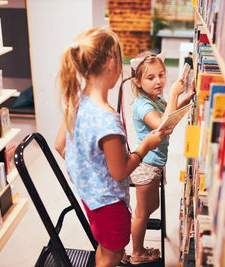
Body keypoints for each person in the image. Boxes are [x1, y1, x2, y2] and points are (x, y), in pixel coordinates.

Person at [54, 28, 170, 267]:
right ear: (110, 64)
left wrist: (89, 169)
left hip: (90, 197)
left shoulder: (77, 100)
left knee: (104, 247)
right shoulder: (108, 120)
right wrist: (146, 145)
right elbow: (121, 172)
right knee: (114, 255)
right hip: (109, 203)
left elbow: (59, 145)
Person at [128, 51, 195, 264]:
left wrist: (188, 97)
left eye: (161, 75)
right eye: (150, 78)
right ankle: (137, 253)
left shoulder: (156, 99)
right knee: (142, 213)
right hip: (145, 164)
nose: (158, 81)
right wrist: (175, 94)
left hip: (156, 164)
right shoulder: (143, 105)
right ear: (137, 82)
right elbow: (163, 126)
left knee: (151, 207)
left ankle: (137, 243)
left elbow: (170, 115)